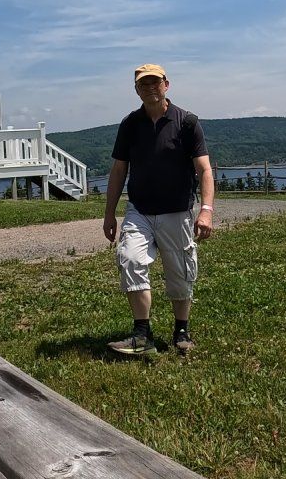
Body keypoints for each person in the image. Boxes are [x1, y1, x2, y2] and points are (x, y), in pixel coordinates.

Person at [103, 63, 215, 356]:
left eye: (155, 82)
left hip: (176, 210)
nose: (150, 88)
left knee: (180, 271)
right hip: (139, 209)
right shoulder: (130, 124)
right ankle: (142, 334)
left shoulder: (186, 122)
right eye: (144, 84)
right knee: (129, 258)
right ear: (136, 90)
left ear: (167, 84)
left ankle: (181, 331)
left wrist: (206, 210)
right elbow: (118, 171)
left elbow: (204, 170)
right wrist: (108, 213)